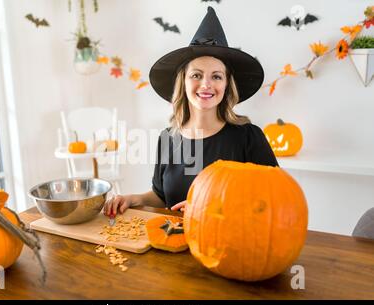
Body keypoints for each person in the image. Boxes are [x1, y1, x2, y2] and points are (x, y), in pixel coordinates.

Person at [102, 6, 278, 218]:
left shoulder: (248, 137)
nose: (206, 84)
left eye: (216, 76)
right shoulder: (168, 138)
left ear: (226, 85)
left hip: (228, 244)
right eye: (196, 75)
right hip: (171, 242)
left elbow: (273, 197)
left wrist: (211, 205)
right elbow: (162, 196)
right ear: (183, 83)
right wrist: (134, 199)